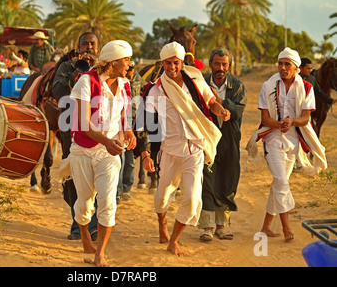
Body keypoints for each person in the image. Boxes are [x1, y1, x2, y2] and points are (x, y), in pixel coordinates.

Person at [137, 42, 230, 256]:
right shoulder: (155, 91)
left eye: (176, 62)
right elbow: (144, 123)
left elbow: (211, 101)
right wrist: (145, 154)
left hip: (195, 149)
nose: (172, 67)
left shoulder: (195, 78)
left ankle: (174, 240)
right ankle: (162, 224)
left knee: (193, 198)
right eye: (168, 63)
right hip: (169, 151)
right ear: (162, 63)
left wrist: (220, 110)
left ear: (182, 62)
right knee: (162, 197)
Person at [246, 47, 327, 242]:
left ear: (296, 68)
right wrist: (279, 124)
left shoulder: (307, 88)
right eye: (280, 63)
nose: (282, 68)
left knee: (279, 183)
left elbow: (306, 118)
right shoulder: (268, 85)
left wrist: (291, 122)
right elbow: (265, 118)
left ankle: (265, 226)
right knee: (282, 182)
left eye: (287, 64)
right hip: (272, 137)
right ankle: (286, 227)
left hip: (293, 140)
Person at [68, 40, 136, 267]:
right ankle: (86, 237)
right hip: (83, 150)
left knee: (108, 201)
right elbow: (84, 124)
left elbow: (124, 115)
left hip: (109, 153)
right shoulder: (86, 82)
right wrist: (107, 141)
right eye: (126, 59)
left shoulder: (125, 84)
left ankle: (100, 254)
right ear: (113, 61)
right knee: (85, 201)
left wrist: (128, 131)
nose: (129, 63)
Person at [52, 32, 100, 241]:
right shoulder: (66, 67)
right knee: (73, 178)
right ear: (78, 47)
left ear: (98, 47)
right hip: (71, 129)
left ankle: (95, 225)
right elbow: (58, 92)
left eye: (92, 44)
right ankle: (77, 224)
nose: (88, 47)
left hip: (99, 131)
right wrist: (76, 74)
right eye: (84, 44)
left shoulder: (104, 67)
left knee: (98, 177)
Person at [198, 47, 247, 241]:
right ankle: (207, 227)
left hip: (229, 139)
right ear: (210, 64)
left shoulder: (238, 86)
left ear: (229, 66)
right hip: (206, 137)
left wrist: (218, 100)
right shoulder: (200, 84)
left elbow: (237, 112)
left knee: (227, 179)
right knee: (207, 180)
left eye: (224, 64)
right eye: (217, 63)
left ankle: (222, 226)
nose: (220, 68)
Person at [117, 60, 145, 202]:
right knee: (119, 159)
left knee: (131, 159)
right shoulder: (118, 80)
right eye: (128, 69)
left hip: (134, 122)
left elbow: (145, 95)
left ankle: (127, 188)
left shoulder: (138, 80)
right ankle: (118, 190)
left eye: (131, 69)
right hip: (120, 123)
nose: (129, 72)